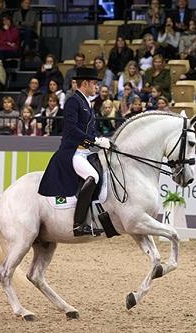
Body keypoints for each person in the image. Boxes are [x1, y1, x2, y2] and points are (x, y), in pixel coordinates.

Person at [38, 67, 111, 237]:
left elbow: (90, 130)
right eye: (94, 83)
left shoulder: (87, 102)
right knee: (93, 176)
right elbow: (71, 129)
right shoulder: (73, 101)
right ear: (85, 83)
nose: (97, 87)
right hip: (73, 152)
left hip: (85, 151)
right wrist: (94, 141)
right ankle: (79, 224)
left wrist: (101, 140)